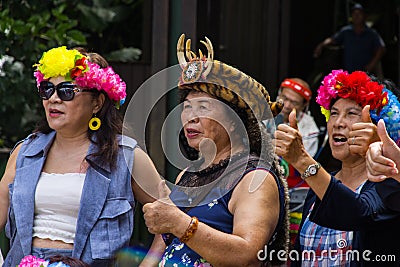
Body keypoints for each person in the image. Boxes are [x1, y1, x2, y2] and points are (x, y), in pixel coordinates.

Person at [0, 46, 161, 266]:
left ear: (97, 103)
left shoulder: (126, 157)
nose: (53, 99)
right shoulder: (24, 153)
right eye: (47, 89)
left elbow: (172, 220)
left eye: (67, 90)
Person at [140, 33, 289, 266]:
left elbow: (248, 256)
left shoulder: (255, 178)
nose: (190, 117)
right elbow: (157, 254)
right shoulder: (188, 174)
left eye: (203, 106)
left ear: (233, 121)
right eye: (186, 107)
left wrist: (179, 223)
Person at [276, 69, 400, 266]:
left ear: (378, 128)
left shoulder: (390, 183)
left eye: (352, 113)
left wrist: (301, 159)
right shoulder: (321, 185)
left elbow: (358, 212)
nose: (338, 123)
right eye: (333, 113)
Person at [314, 3, 386, 76]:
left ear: (364, 16)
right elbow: (333, 39)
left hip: (366, 73)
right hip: (349, 72)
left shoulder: (371, 33)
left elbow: (381, 48)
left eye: (359, 14)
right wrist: (321, 45)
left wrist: (372, 64)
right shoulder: (346, 31)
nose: (356, 16)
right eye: (354, 14)